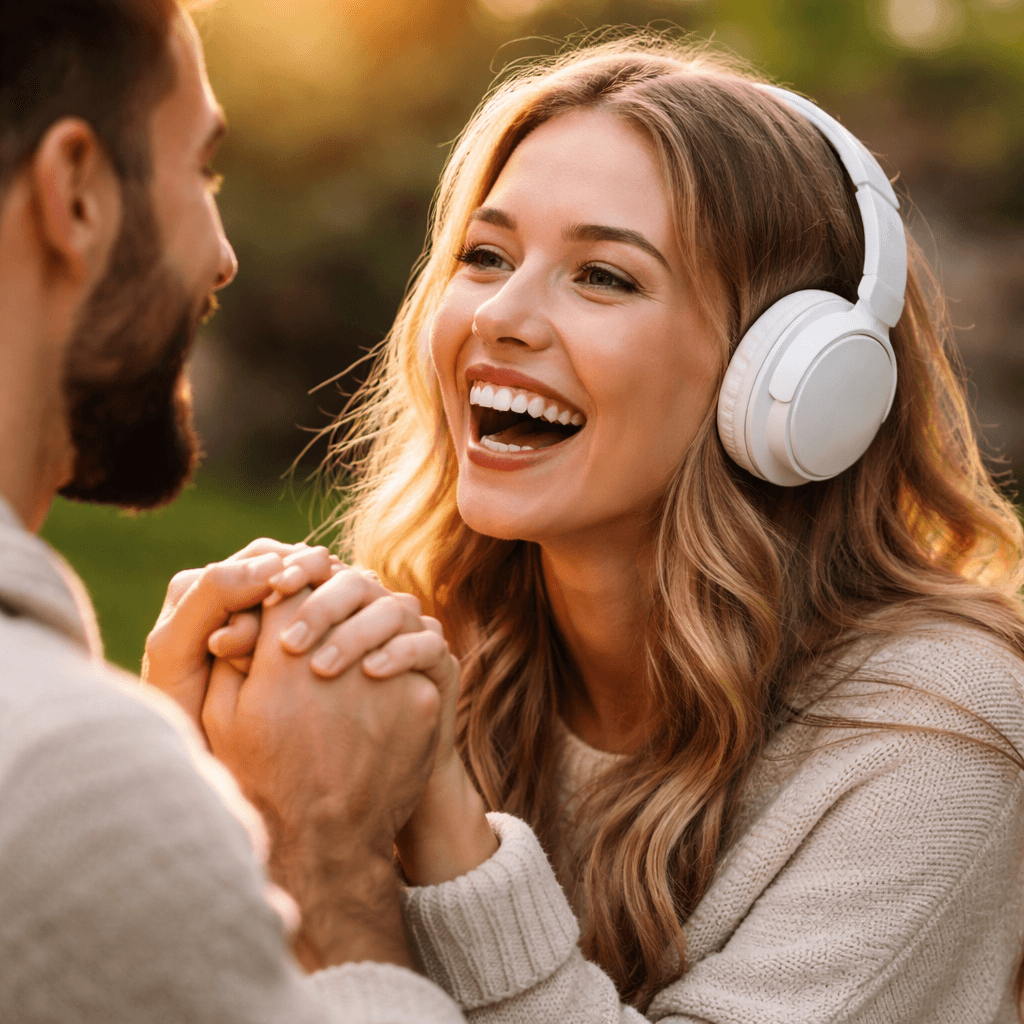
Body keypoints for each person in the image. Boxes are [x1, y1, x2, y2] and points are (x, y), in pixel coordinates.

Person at [163, 36, 1024, 1024]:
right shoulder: (436, 653)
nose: (499, 315)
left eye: (604, 276)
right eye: (484, 257)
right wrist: (197, 802)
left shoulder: (934, 731)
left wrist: (417, 836)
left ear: (791, 380)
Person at [0, 0, 468, 1020]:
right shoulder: (65, 775)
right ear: (75, 191)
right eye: (201, 169)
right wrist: (331, 861)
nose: (222, 255)